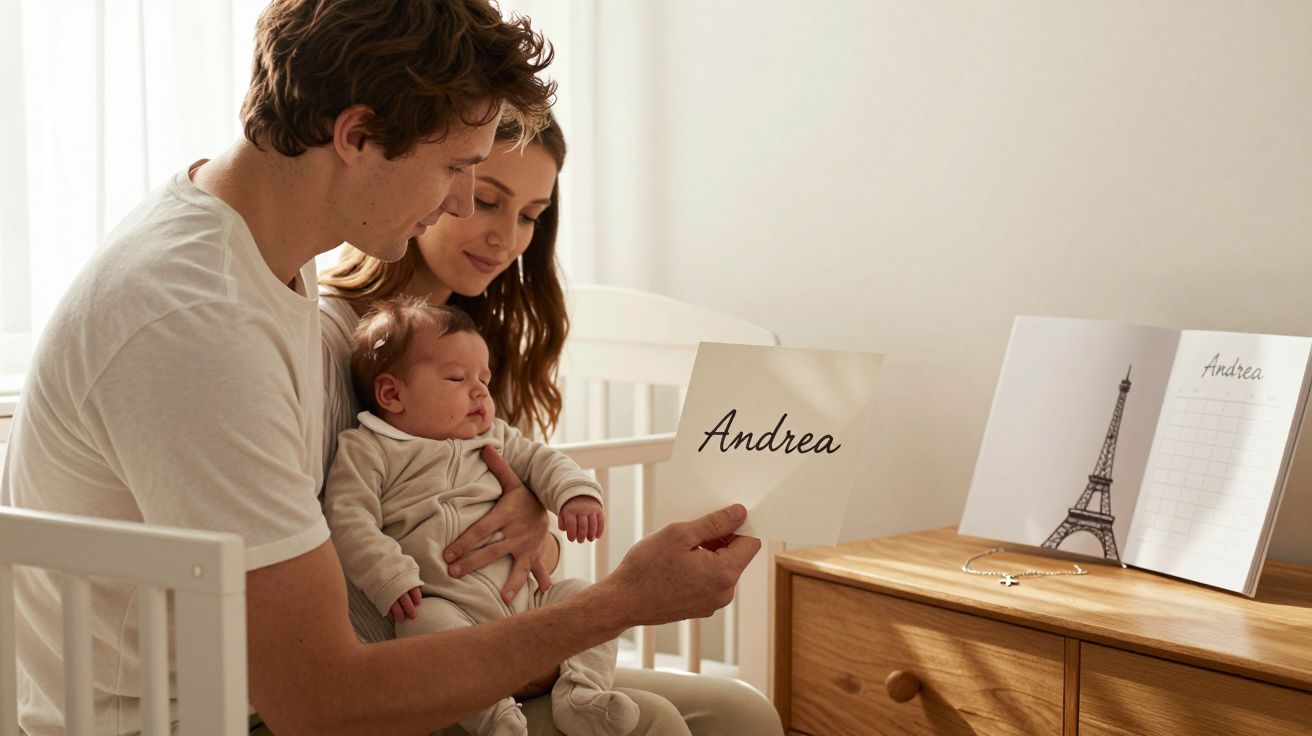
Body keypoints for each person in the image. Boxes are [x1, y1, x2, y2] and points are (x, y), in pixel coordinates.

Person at [0, 1, 761, 734]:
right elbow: (322, 705)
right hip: (218, 720)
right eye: (458, 169)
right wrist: (620, 601)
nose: (462, 202)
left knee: (729, 716)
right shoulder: (196, 323)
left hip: (262, 697)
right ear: (358, 135)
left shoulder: (264, 270)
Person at [319, 117, 785, 735]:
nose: (506, 237)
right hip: (420, 643)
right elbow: (339, 542)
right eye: (487, 201)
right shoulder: (337, 342)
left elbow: (531, 497)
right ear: (438, 181)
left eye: (532, 214)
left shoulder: (476, 351)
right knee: (659, 722)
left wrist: (541, 521)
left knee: (746, 714)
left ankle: (577, 694)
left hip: (513, 612)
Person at [325, 298, 638, 736]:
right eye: (457, 378)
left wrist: (574, 494)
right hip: (447, 605)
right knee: (420, 627)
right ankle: (493, 717)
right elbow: (347, 517)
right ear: (392, 394)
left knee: (586, 598)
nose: (480, 392)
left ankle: (580, 694)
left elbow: (544, 461)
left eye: (484, 380)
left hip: (529, 607)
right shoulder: (369, 448)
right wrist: (388, 576)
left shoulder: (495, 436)